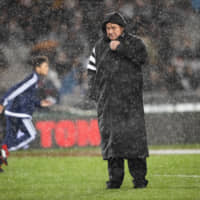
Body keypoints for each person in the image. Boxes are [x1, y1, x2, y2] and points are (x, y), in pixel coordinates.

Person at [87, 12, 149, 189]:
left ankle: (139, 180)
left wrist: (120, 48)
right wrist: (95, 94)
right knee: (112, 143)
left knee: (134, 142)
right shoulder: (99, 47)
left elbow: (143, 59)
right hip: (108, 104)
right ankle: (115, 180)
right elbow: (91, 70)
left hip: (131, 103)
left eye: (113, 28)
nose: (110, 31)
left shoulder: (135, 43)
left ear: (122, 28)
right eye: (107, 28)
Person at [0, 56, 53, 172]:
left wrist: (39, 103)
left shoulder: (36, 79)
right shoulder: (33, 78)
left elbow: (26, 96)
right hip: (19, 113)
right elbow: (16, 89)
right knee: (31, 135)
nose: (47, 68)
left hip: (13, 112)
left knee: (9, 138)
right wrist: (3, 101)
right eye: (45, 66)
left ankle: (2, 155)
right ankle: (4, 150)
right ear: (37, 68)